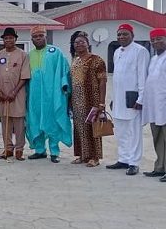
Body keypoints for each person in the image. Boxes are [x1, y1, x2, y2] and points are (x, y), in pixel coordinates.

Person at [106, 23, 150, 176]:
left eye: (125, 34)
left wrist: (141, 99)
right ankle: (123, 159)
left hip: (133, 98)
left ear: (132, 36)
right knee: (121, 131)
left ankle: (134, 162)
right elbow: (117, 78)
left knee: (134, 132)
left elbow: (142, 77)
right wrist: (113, 98)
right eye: (119, 35)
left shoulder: (140, 51)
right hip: (119, 99)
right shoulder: (117, 51)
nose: (121, 37)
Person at [26, 26, 72, 163]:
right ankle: (39, 150)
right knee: (35, 120)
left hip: (52, 95)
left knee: (52, 121)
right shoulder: (29, 55)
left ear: (46, 36)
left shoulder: (55, 52)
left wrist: (64, 87)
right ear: (32, 39)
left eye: (41, 35)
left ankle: (54, 151)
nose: (38, 38)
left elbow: (64, 71)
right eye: (35, 36)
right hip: (34, 96)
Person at [70, 33, 107, 167]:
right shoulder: (75, 60)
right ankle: (82, 155)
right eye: (76, 43)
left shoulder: (97, 60)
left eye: (82, 42)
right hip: (77, 100)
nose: (79, 44)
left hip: (92, 99)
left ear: (88, 44)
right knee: (79, 128)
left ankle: (95, 157)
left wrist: (101, 103)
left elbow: (102, 82)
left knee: (93, 127)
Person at [0, 27, 30, 161]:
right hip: (2, 95)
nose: (8, 40)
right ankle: (7, 148)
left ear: (15, 39)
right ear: (3, 40)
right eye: (6, 38)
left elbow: (25, 76)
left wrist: (14, 92)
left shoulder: (23, 55)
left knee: (19, 123)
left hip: (17, 94)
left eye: (11, 38)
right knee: (5, 122)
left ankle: (19, 149)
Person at [142, 28, 166, 182]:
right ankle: (160, 168)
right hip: (154, 107)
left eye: (160, 39)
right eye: (154, 40)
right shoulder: (153, 59)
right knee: (157, 138)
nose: (156, 42)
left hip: (164, 105)